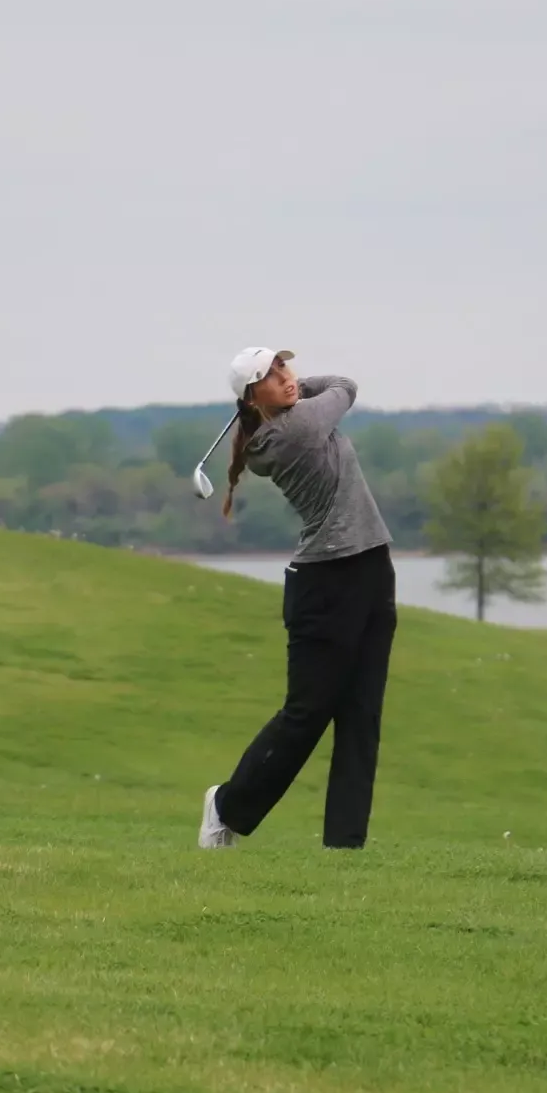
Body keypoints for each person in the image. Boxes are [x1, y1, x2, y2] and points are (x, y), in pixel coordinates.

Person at [199, 347, 397, 851]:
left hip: (372, 566)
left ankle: (344, 845)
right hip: (326, 583)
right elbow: (345, 386)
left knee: (362, 714)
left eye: (286, 367)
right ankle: (225, 807)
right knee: (307, 715)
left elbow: (329, 387)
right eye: (271, 376)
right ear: (252, 396)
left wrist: (283, 392)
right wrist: (299, 392)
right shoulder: (291, 431)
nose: (288, 378)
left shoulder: (282, 420)